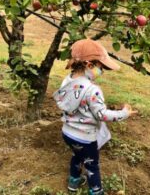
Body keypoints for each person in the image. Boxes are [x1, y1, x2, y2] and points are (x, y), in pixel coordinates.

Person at [53, 39, 137, 195]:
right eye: (100, 68)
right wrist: (124, 113)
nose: (102, 71)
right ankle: (96, 191)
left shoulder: (67, 80)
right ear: (89, 65)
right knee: (92, 165)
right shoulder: (93, 90)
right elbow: (102, 115)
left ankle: (73, 184)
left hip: (67, 133)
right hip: (85, 138)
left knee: (76, 156)